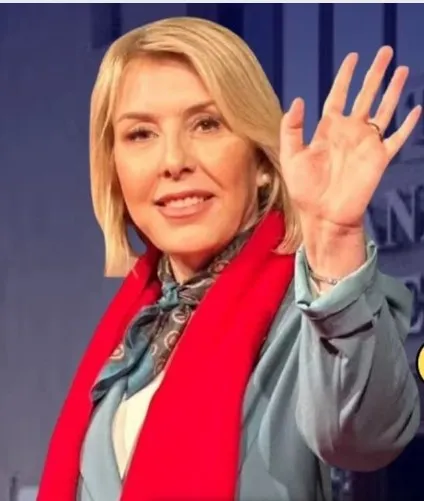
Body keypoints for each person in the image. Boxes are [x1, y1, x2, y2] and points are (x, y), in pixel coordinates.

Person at [37, 16, 421, 501]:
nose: (173, 161)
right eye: (141, 134)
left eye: (206, 124)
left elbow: (364, 437)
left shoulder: (319, 309)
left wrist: (336, 238)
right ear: (113, 168)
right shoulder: (132, 333)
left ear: (260, 161)